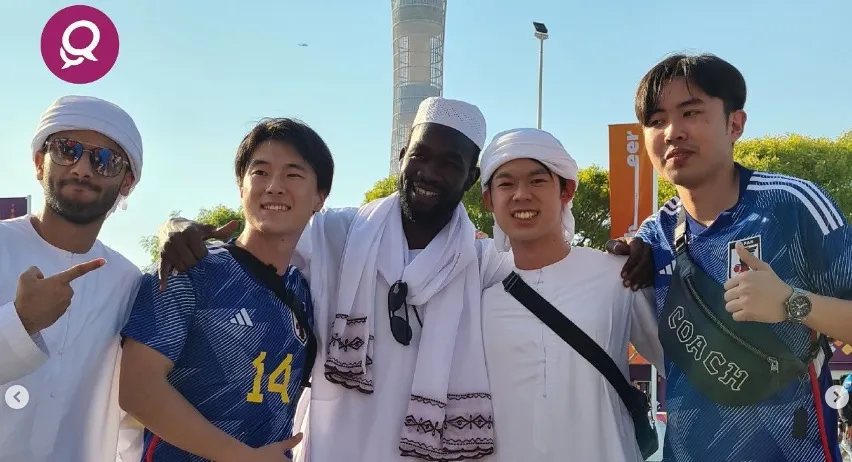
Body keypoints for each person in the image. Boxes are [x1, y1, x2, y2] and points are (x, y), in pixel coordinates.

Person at [156, 97, 514, 462]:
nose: (429, 172)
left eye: (450, 163)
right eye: (419, 155)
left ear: (471, 178)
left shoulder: (482, 265)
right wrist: (175, 227)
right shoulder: (336, 234)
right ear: (402, 156)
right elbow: (259, 240)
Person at [617, 53, 852, 461]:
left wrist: (791, 302)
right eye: (656, 120)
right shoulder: (656, 233)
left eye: (691, 112)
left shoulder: (792, 205)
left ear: (735, 124)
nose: (672, 132)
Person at [118, 118, 332, 461]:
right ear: (241, 188)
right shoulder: (187, 269)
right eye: (260, 172)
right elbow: (137, 388)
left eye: (293, 174)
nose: (274, 186)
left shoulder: (305, 292)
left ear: (320, 197)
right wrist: (241, 457)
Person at [477, 127, 664, 461]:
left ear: (566, 190)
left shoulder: (618, 276)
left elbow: (680, 367)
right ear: (489, 200)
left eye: (537, 180)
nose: (521, 194)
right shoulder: (478, 294)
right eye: (506, 184)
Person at [0, 95, 145, 462]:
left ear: (126, 182)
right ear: (39, 162)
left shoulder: (129, 281)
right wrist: (21, 321)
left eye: (106, 160)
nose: (82, 169)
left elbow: (130, 417)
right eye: (67, 150)